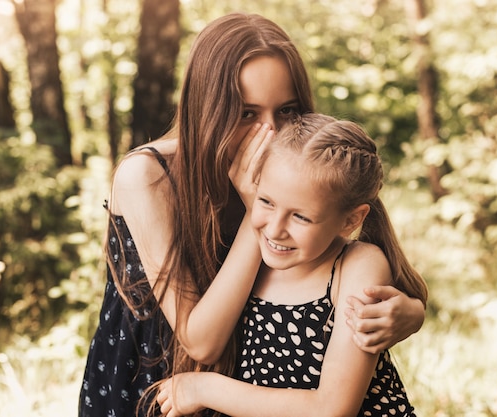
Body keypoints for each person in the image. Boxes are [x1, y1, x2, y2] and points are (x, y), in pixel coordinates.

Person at [79, 13, 425, 417]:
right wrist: (251, 207)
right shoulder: (148, 176)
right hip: (153, 386)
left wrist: (410, 314)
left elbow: (357, 264)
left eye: (287, 112)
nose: (271, 134)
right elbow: (202, 342)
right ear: (207, 108)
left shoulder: (296, 180)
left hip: (249, 396)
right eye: (247, 114)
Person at [156, 113, 428, 417]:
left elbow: (333, 409)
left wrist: (203, 389)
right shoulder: (252, 262)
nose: (275, 229)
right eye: (266, 202)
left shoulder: (357, 266)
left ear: (351, 220)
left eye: (301, 217)